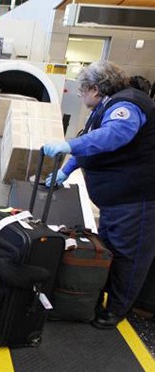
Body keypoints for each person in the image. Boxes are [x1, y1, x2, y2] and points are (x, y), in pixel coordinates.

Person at [43, 60, 155, 329]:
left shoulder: (126, 106)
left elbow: (112, 137)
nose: (80, 97)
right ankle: (99, 298)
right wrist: (65, 171)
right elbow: (90, 144)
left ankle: (115, 311)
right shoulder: (105, 106)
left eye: (81, 91)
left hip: (137, 200)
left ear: (95, 88)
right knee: (111, 250)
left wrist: (68, 144)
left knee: (129, 257)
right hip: (117, 201)